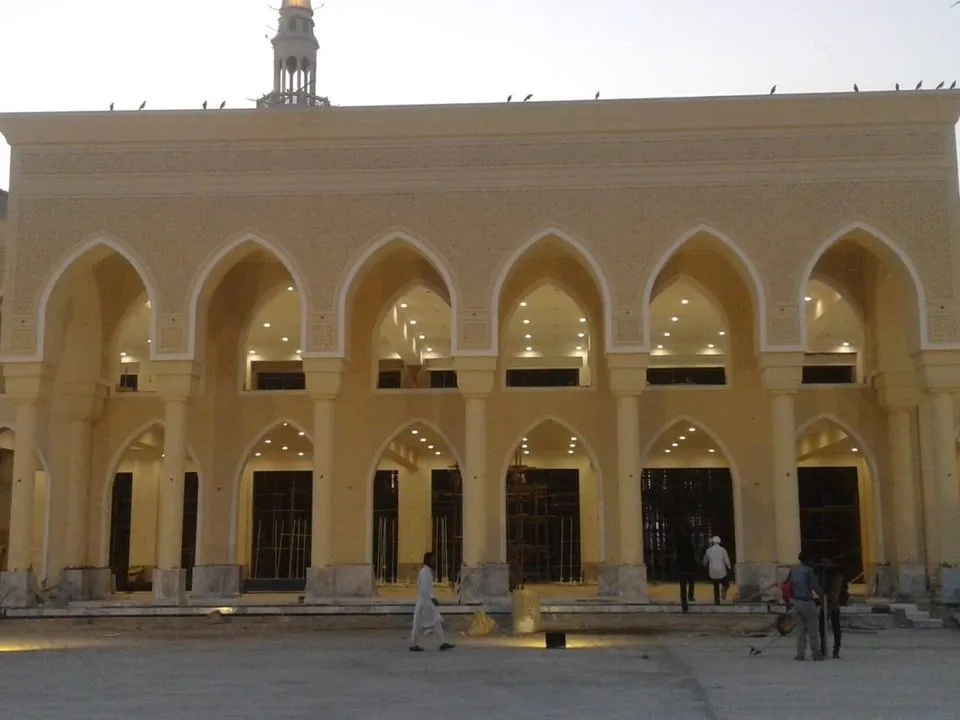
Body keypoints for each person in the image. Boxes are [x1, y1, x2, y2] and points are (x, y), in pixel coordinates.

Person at [409, 552, 455, 652]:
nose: (434, 561)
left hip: (426, 603)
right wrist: (432, 597)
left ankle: (442, 642)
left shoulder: (427, 572)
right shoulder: (424, 572)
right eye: (433, 559)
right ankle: (415, 644)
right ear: (428, 560)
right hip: (425, 603)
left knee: (435, 622)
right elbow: (424, 588)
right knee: (420, 624)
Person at [786, 552, 824, 661]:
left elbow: (787, 584)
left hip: (796, 602)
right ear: (807, 560)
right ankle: (815, 653)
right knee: (812, 629)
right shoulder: (809, 571)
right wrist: (822, 596)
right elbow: (815, 586)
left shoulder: (794, 570)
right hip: (807, 602)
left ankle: (800, 653)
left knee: (800, 630)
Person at [818, 559, 848, 659]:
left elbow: (841, 591)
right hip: (828, 604)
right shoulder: (825, 576)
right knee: (829, 628)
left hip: (831, 605)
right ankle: (829, 649)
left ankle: (832, 649)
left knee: (832, 628)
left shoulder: (835, 577)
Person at [702, 536, 732, 605]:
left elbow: (705, 561)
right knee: (726, 583)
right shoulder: (723, 550)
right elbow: (726, 560)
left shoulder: (708, 550)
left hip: (712, 571)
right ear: (719, 542)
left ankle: (717, 600)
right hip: (722, 570)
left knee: (715, 586)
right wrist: (729, 567)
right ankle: (724, 588)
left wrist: (704, 565)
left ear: (712, 542)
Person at [676, 534, 698, 613]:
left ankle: (684, 606)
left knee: (683, 589)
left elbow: (678, 559)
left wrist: (678, 570)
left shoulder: (679, 548)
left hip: (682, 571)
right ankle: (691, 596)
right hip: (690, 570)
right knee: (691, 584)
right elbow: (694, 558)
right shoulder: (691, 548)